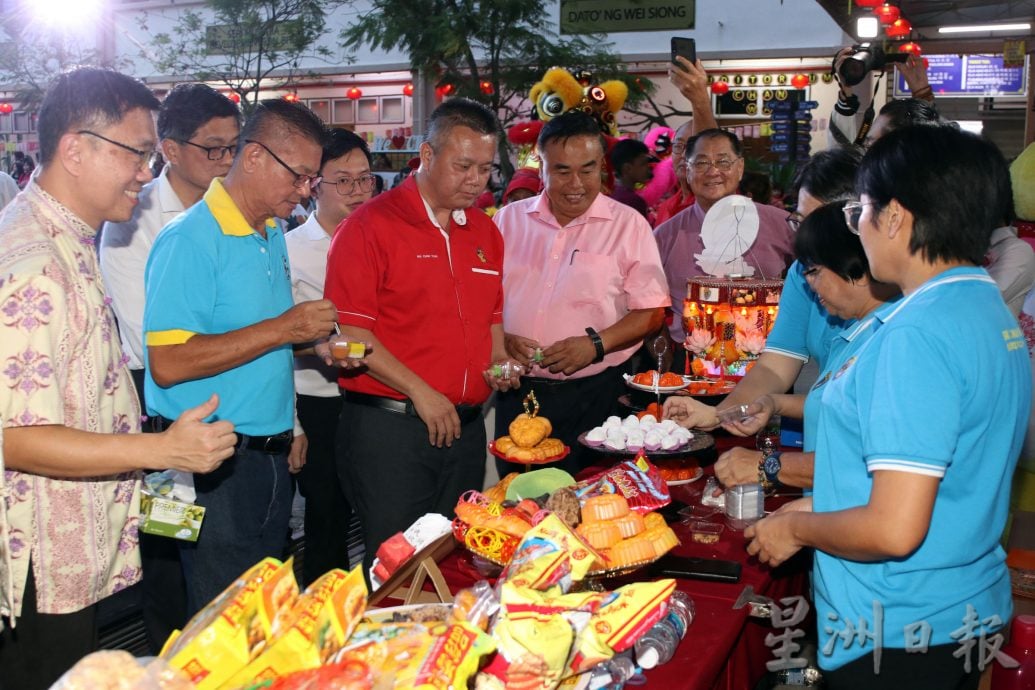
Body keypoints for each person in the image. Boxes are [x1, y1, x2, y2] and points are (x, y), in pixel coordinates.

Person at [746, 126, 1031, 689]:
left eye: (861, 210)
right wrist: (813, 503)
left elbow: (894, 527)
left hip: (897, 626)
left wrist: (800, 529)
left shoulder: (916, 334)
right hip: (964, 606)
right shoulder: (983, 307)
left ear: (896, 217)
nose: (856, 226)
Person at [0, 67, 236, 690]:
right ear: (75, 149)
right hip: (36, 561)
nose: (144, 172)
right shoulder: (38, 266)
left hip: (62, 550)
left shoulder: (64, 240)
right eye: (136, 154)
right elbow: (15, 437)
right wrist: (162, 448)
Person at [143, 99, 337, 612]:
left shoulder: (269, 231)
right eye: (298, 176)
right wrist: (283, 328)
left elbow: (256, 339)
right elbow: (168, 360)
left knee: (263, 611)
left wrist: (304, 356)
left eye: (311, 181)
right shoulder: (189, 238)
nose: (303, 192)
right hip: (212, 465)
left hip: (268, 458)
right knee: (221, 621)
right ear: (252, 158)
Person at [323, 98, 513, 575]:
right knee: (397, 569)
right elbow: (352, 333)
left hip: (466, 429)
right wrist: (421, 392)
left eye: (485, 169)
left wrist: (502, 361)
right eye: (463, 166)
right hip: (393, 432)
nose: (476, 180)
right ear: (426, 156)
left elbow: (491, 320)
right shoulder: (370, 227)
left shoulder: (486, 233)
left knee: (455, 562)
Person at [99, 81, 241, 651]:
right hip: (158, 408)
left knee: (228, 557)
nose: (227, 161)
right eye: (214, 148)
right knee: (167, 555)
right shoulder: (132, 220)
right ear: (171, 148)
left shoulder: (236, 210)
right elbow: (154, 341)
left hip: (230, 407)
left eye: (235, 147)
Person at [494, 111, 669, 476]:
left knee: (591, 505)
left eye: (587, 170)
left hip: (597, 396)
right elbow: (483, 302)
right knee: (516, 502)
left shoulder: (628, 225)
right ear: (540, 167)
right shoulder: (507, 221)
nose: (576, 183)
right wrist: (503, 340)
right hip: (518, 395)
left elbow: (651, 311)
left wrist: (596, 345)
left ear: (602, 168)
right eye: (561, 171)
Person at [694, 202, 899, 490]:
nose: (808, 285)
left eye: (814, 271)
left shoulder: (894, 339)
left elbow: (878, 465)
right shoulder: (849, 337)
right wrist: (771, 404)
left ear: (853, 261)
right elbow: (842, 405)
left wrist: (769, 466)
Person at [664, 146, 862, 433]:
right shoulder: (802, 272)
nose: (805, 238)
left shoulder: (894, 291)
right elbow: (775, 366)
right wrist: (719, 415)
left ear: (858, 218)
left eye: (816, 223)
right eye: (800, 221)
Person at [286, 128, 374, 585]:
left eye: (365, 179)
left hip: (376, 397)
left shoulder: (380, 239)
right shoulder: (291, 250)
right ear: (314, 184)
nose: (358, 192)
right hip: (319, 401)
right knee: (326, 515)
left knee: (379, 511)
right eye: (344, 181)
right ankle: (324, 613)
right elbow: (279, 339)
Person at [654, 129, 795, 348]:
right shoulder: (665, 236)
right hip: (692, 357)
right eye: (701, 163)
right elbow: (648, 302)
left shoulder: (782, 223)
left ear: (740, 168)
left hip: (768, 359)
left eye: (723, 162)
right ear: (687, 171)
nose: (713, 172)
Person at [653, 121, 695, 226]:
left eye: (693, 147)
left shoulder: (714, 206)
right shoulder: (665, 207)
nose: (684, 154)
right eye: (678, 146)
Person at [608, 138, 656, 220]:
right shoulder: (633, 201)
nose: (648, 167)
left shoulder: (609, 195)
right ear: (627, 168)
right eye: (643, 163)